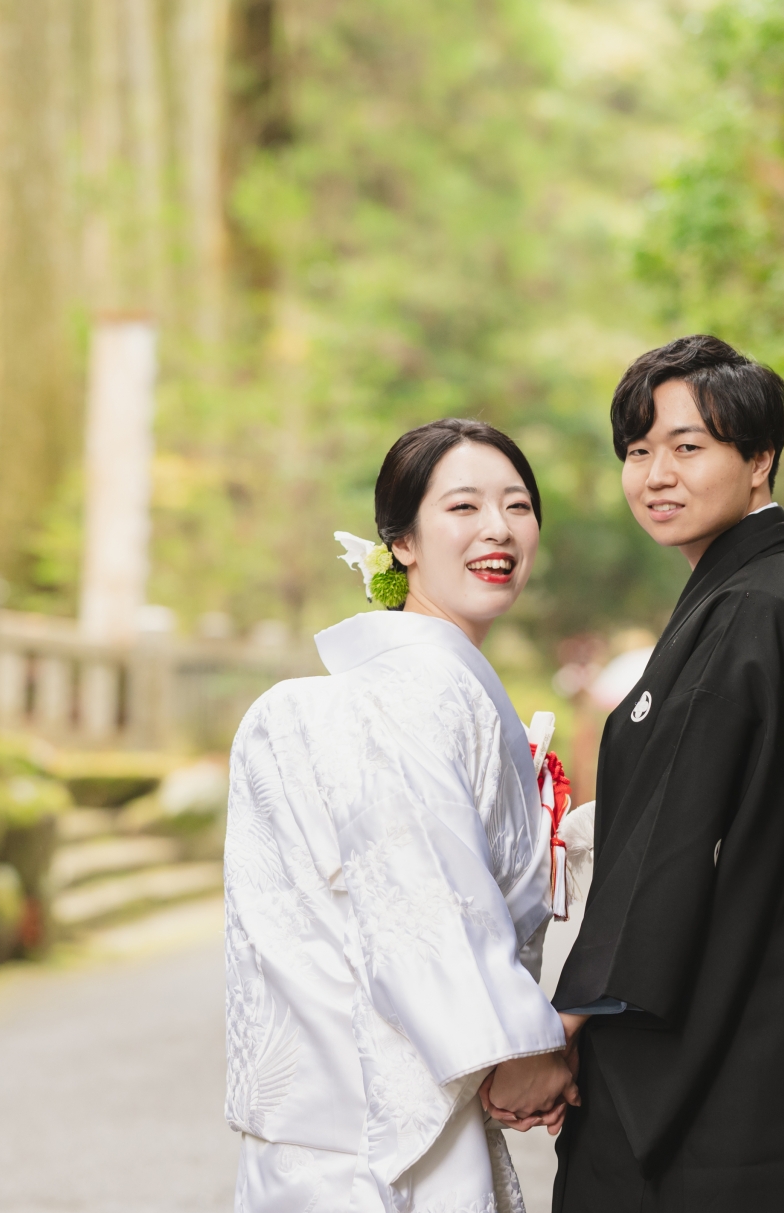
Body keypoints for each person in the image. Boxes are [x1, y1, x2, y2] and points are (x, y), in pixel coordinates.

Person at [544, 336, 784, 1210]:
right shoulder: (782, 591)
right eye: (638, 451)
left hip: (730, 1024)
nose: (655, 475)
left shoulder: (755, 604)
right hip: (780, 1008)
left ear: (760, 459)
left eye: (688, 446)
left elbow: (679, 839)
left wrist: (565, 1021)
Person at [225, 418, 577, 1213]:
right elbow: (420, 892)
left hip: (350, 1109)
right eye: (463, 506)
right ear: (402, 542)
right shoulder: (413, 689)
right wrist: (518, 1052)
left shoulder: (419, 681)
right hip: (383, 1120)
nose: (498, 528)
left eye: (518, 505)